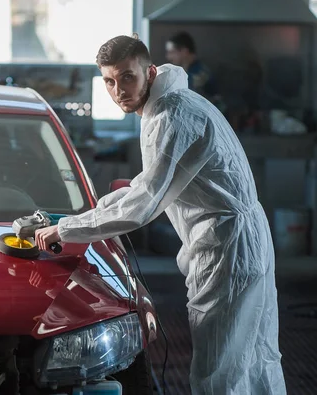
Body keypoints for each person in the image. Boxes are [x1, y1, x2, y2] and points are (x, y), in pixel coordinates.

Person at [35, 34, 286, 394]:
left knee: (219, 369)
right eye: (109, 81)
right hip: (245, 239)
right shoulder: (175, 101)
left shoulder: (170, 115)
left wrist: (70, 229)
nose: (118, 89)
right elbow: (150, 183)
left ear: (149, 72)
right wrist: (80, 217)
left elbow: (143, 203)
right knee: (254, 357)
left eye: (127, 77)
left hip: (227, 248)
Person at [166, 31, 217, 98]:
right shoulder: (180, 73)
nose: (168, 57)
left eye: (172, 52)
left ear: (185, 51)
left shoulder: (200, 75)